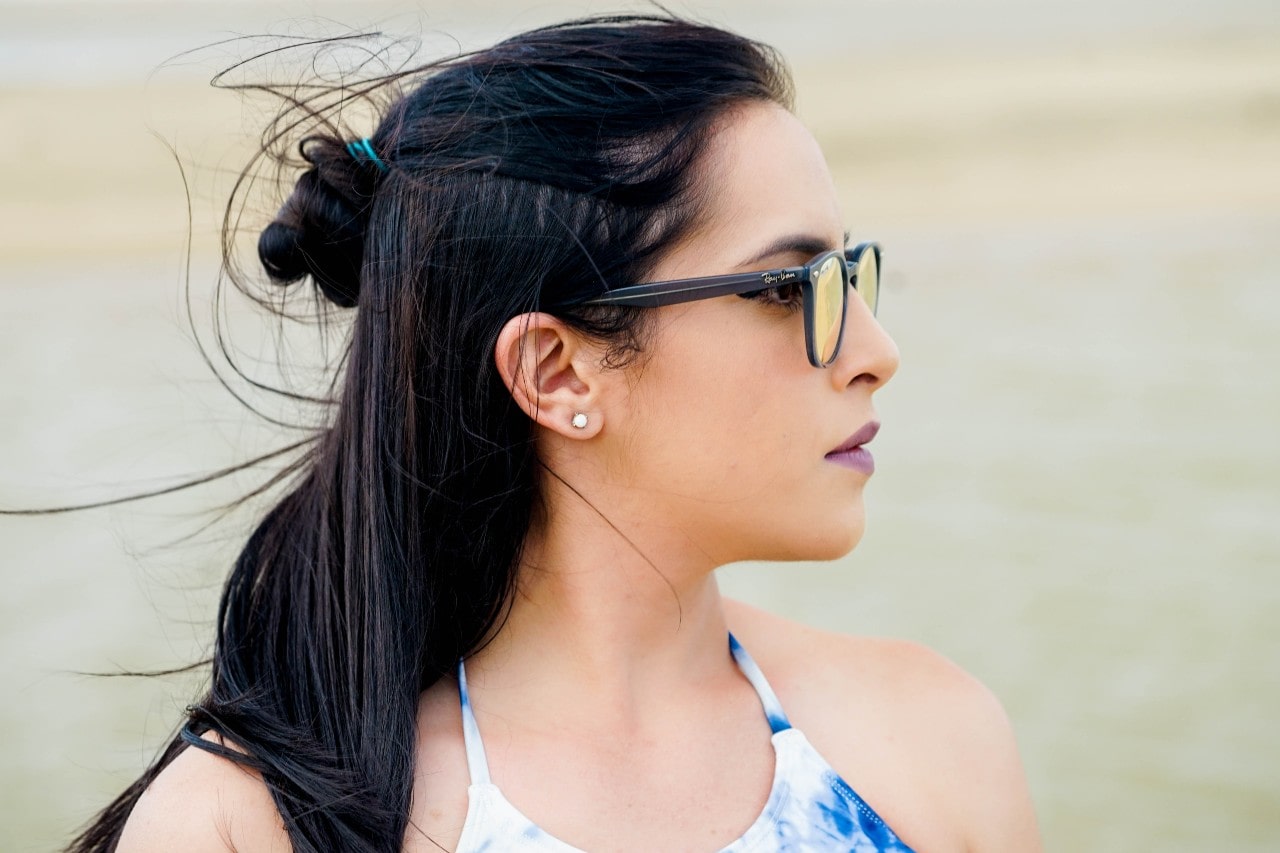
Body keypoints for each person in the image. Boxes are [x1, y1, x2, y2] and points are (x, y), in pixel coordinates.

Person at [70, 13, 1040, 853]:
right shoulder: (249, 825)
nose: (874, 350)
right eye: (789, 287)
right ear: (556, 371)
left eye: (845, 276)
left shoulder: (927, 741)